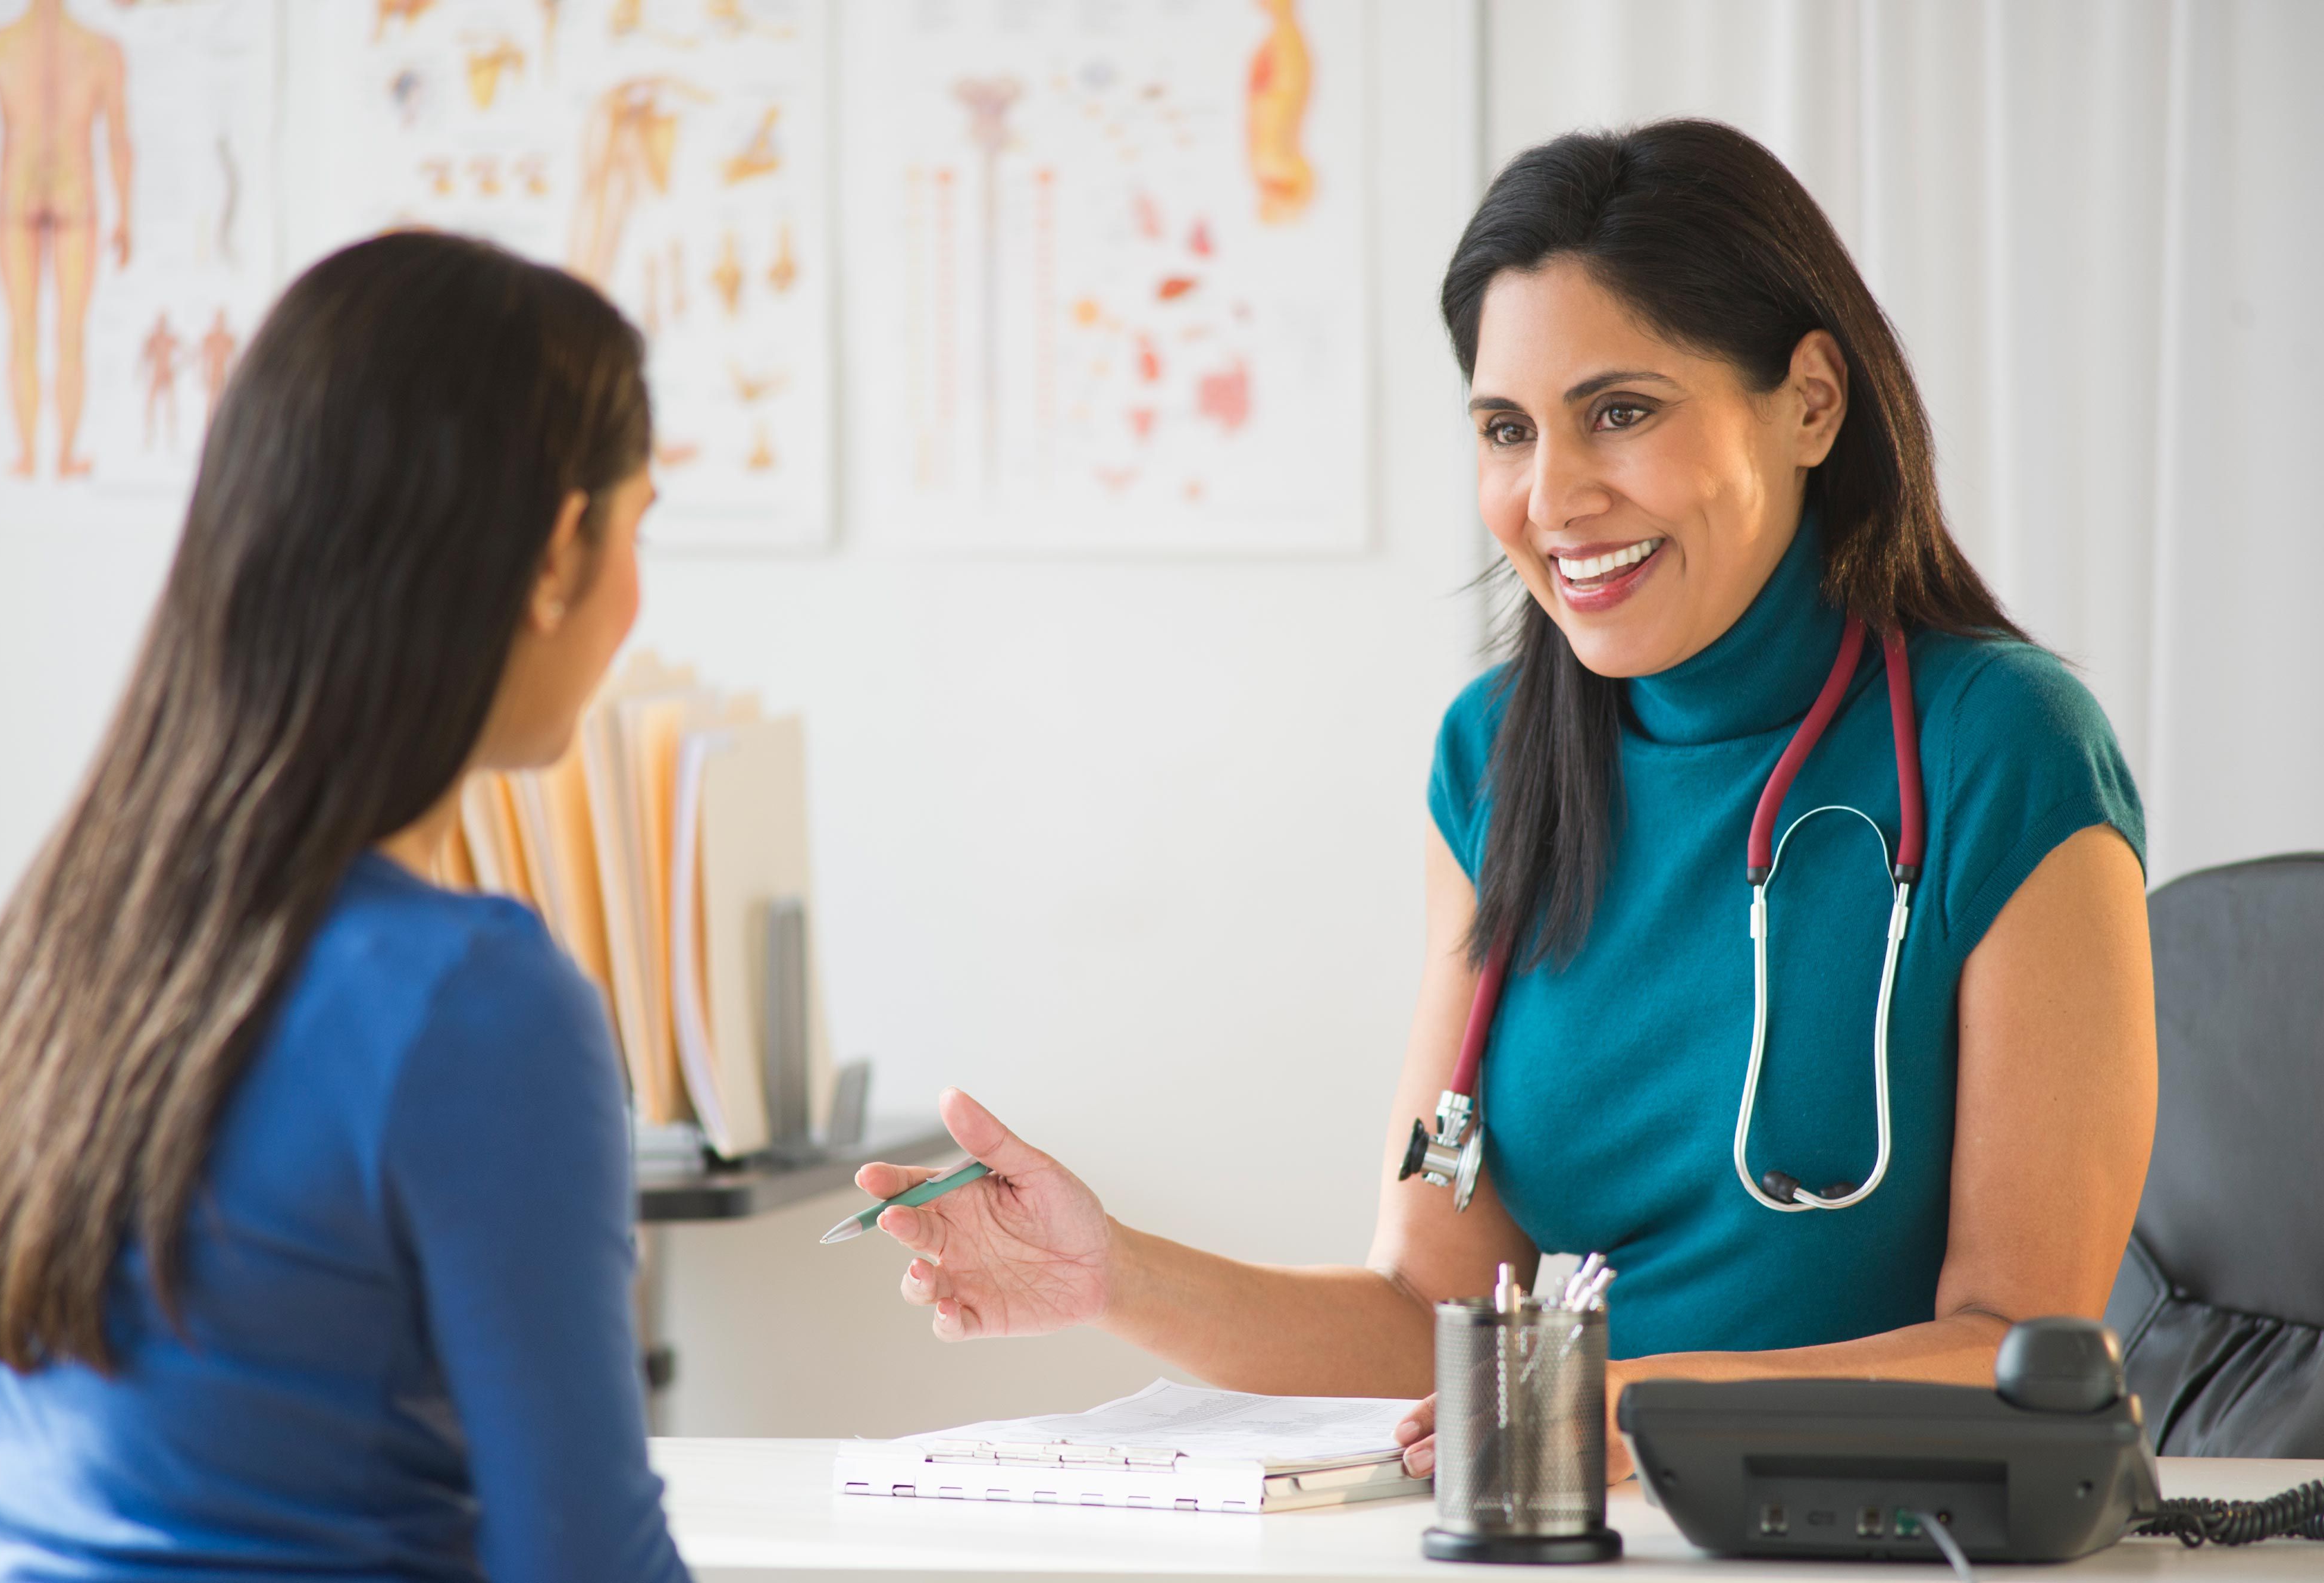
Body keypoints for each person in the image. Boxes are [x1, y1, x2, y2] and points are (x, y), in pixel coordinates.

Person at [853, 120, 2158, 1482]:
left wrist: (1628, 1411)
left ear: (1810, 403)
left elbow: (2025, 1350)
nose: (1552, 499)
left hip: (1863, 1540)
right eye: (1504, 429)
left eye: (1621, 412)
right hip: (1558, 1524)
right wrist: (1113, 1275)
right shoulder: (1494, 759)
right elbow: (1431, 1317)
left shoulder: (1998, 747)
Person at [0, 232, 687, 1583]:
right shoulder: (474, 1002)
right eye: (637, 530)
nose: (637, 598)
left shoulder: (55, 943)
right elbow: (587, 1567)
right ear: (557, 549)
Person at [0, 0, 133, 479]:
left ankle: (43, 455)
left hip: (34, 196)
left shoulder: (4, 47)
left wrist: (127, 215)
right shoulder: (95, 50)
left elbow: (118, 138)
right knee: (44, 333)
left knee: (45, 333)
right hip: (60, 197)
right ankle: (43, 455)